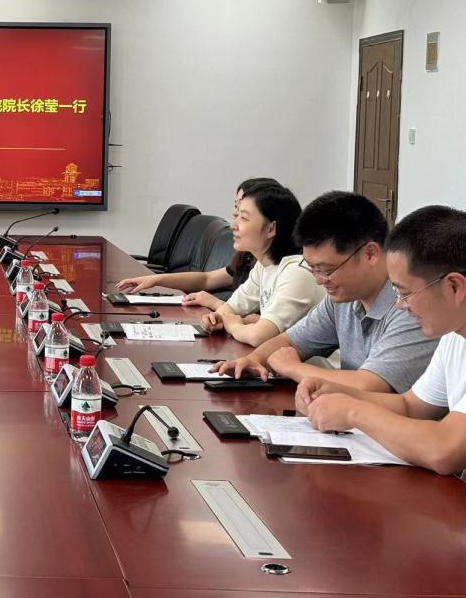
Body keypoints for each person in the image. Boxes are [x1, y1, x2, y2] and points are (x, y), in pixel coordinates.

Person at [298, 205, 466, 475]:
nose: (400, 305)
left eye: (405, 293)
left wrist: (353, 412)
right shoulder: (454, 336)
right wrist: (337, 394)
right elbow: (411, 406)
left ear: (454, 286)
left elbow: (444, 450)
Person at [215, 191, 438, 392]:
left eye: (326, 269)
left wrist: (293, 368)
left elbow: (370, 385)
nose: (319, 280)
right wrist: (254, 360)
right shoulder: (343, 300)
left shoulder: (411, 306)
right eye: (312, 268)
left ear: (370, 254)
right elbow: (291, 342)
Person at [116, 177, 279, 310]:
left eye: (244, 214)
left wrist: (215, 304)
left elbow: (265, 326)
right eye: (237, 206)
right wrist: (156, 280)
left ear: (271, 227)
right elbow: (208, 279)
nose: (234, 221)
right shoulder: (250, 257)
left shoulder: (280, 267)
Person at [200, 182, 324, 346]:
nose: (233, 225)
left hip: (315, 362)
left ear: (271, 229)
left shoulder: (297, 271)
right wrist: (215, 318)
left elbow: (258, 337)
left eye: (243, 218)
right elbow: (230, 309)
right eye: (237, 216)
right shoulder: (263, 265)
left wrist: (234, 325)